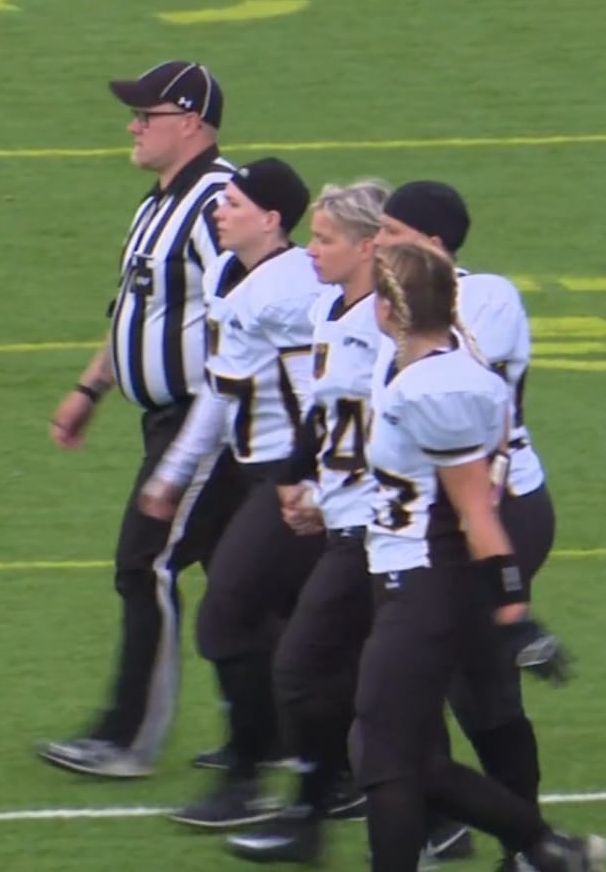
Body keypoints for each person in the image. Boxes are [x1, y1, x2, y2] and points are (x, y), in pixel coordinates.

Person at [349, 240, 606, 872]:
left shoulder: (439, 386)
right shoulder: (425, 369)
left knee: (383, 753)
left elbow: (476, 510)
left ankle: (545, 846)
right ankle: (549, 849)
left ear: (389, 309)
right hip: (406, 575)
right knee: (411, 757)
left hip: (425, 583)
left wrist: (515, 613)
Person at [38, 60, 247, 779]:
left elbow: (247, 319)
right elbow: (136, 312)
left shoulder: (221, 204)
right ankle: (279, 733)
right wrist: (90, 388)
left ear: (189, 123)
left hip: (205, 422)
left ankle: (128, 738)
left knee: (144, 563)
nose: (132, 127)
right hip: (165, 418)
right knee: (245, 584)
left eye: (145, 115)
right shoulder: (156, 204)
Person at [139, 158, 331, 827]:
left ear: (272, 219)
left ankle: (252, 776)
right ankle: (337, 771)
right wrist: (173, 474)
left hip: (292, 479)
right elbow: (221, 392)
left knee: (227, 616)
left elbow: (319, 397)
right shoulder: (229, 272)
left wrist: (309, 481)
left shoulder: (289, 288)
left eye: (235, 203)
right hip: (258, 471)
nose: (219, 211)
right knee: (308, 631)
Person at [223, 178, 393, 864]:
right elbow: (324, 410)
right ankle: (321, 811)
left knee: (322, 668)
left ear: (368, 245)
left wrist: (327, 489)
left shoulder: (393, 323)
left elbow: (396, 422)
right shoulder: (327, 306)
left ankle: (527, 838)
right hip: (344, 516)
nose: (310, 250)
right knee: (334, 668)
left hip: (383, 526)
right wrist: (300, 478)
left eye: (324, 239)